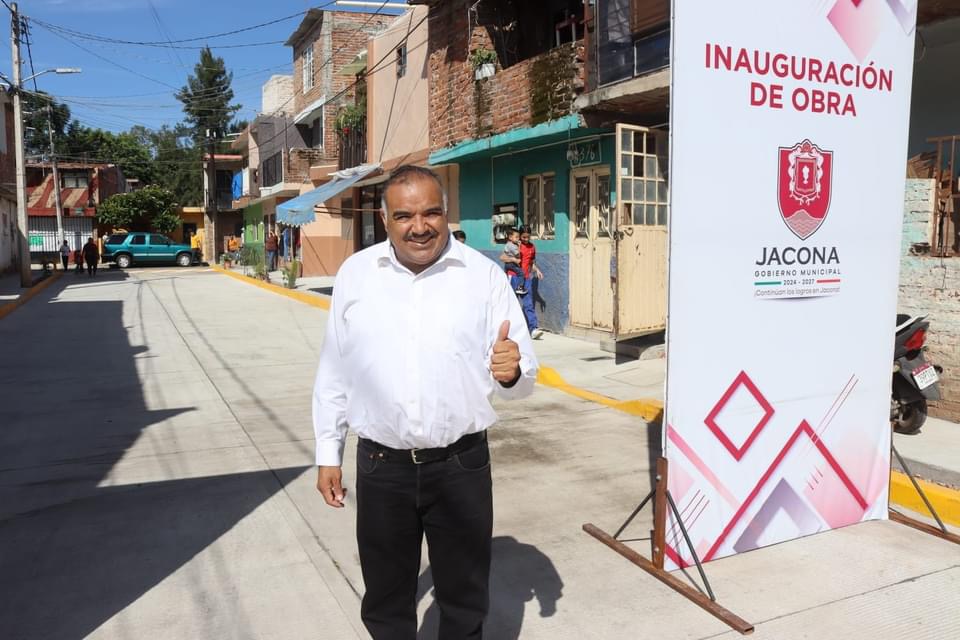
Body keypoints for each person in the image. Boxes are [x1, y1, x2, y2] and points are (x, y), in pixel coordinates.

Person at [313, 165, 537, 640]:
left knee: (464, 598)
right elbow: (335, 369)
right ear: (385, 218)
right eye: (405, 215)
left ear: (445, 211)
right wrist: (327, 452)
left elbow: (521, 378)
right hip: (380, 467)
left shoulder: (484, 278)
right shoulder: (357, 275)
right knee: (386, 600)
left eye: (431, 212)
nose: (420, 226)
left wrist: (512, 370)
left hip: (461, 467)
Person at [501, 228, 526, 295]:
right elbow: (517, 255)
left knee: (505, 274)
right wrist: (519, 246)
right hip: (512, 264)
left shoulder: (507, 244)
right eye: (516, 237)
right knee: (521, 274)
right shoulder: (513, 246)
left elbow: (504, 253)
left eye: (518, 237)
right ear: (510, 237)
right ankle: (520, 287)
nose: (518, 239)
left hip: (507, 264)